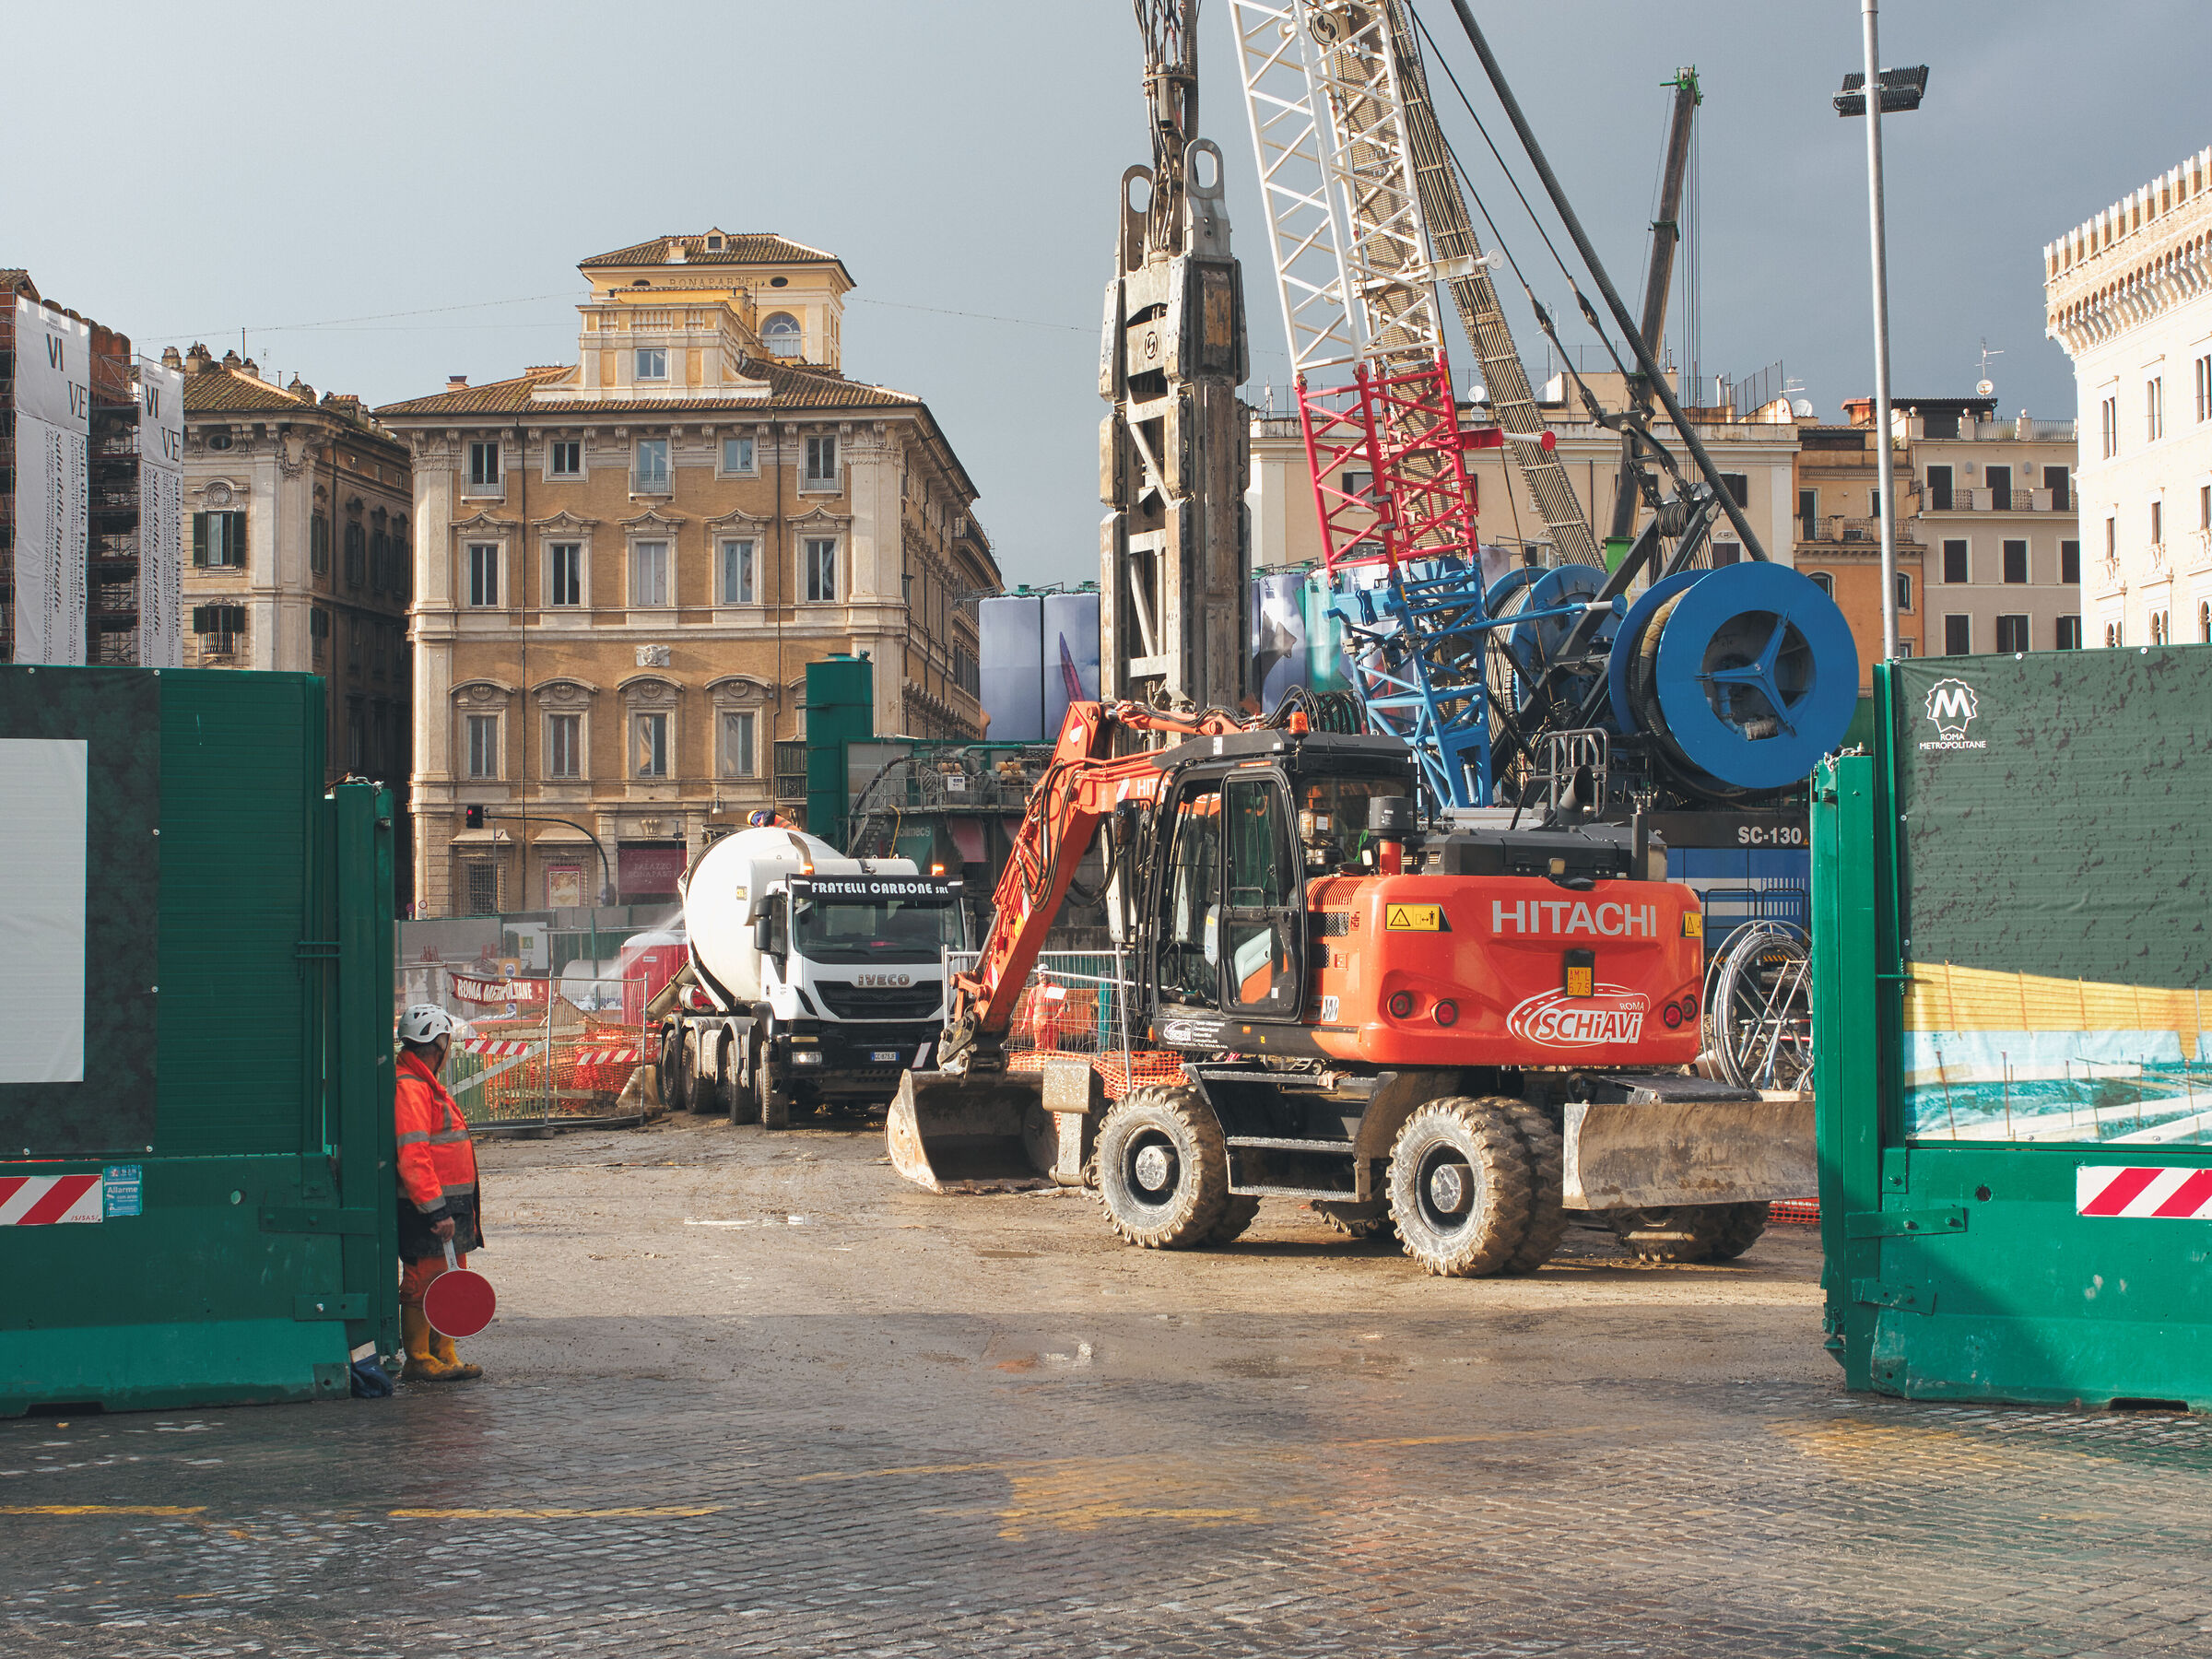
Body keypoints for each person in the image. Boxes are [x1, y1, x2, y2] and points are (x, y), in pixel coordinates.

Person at [394, 1004, 486, 1382]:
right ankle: (418, 1357)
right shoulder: (410, 1087)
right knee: (423, 1282)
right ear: (438, 1044)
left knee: (449, 1278)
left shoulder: (424, 1084)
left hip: (448, 1205)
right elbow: (413, 1154)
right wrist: (435, 1211)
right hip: (429, 1209)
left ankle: (444, 1352)